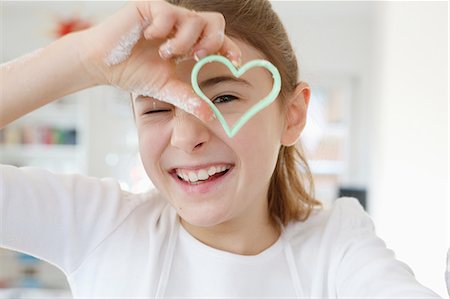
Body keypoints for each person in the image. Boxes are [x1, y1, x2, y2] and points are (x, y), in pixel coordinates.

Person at [0, 0, 441, 298]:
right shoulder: (97, 225)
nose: (186, 136)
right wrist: (84, 59)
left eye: (224, 97)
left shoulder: (338, 245)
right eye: (155, 108)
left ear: (291, 115)